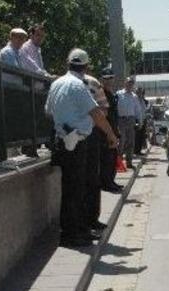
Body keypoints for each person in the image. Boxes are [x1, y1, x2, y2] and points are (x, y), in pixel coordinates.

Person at [45, 48, 119, 247]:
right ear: (85, 66)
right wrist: (111, 135)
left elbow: (49, 112)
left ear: (68, 63)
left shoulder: (56, 84)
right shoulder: (79, 86)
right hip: (77, 142)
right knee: (76, 190)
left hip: (63, 140)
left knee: (71, 188)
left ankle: (77, 231)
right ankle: (72, 234)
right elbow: (96, 113)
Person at [83, 72, 110, 234]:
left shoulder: (61, 82)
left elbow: (49, 111)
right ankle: (88, 222)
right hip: (90, 132)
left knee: (86, 180)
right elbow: (104, 110)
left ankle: (90, 221)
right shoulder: (92, 82)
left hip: (71, 134)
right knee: (90, 179)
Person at [99, 67, 124, 193]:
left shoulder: (112, 94)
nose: (108, 81)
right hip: (105, 131)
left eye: (110, 78)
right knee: (107, 159)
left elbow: (114, 114)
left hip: (113, 128)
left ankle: (111, 181)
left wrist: (116, 130)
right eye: (106, 79)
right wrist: (110, 132)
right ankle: (107, 183)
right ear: (101, 79)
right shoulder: (101, 93)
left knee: (113, 157)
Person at [116, 77, 144, 168]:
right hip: (121, 120)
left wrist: (140, 121)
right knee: (121, 141)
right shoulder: (119, 94)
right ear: (125, 83)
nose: (129, 85)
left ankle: (129, 162)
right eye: (128, 83)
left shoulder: (134, 96)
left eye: (131, 83)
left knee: (131, 141)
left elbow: (138, 110)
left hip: (131, 120)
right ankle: (119, 162)